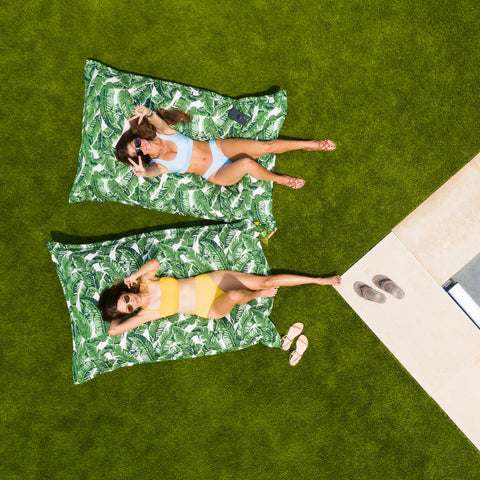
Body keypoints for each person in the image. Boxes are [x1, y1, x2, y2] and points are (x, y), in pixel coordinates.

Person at [98, 259, 341, 336]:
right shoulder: (145, 314)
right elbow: (112, 331)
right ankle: (258, 296)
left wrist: (134, 274)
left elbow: (154, 263)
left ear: (125, 290)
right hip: (210, 307)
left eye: (127, 298)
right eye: (129, 308)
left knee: (270, 280)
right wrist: (115, 313)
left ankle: (320, 280)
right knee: (236, 295)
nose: (133, 303)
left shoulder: (146, 281)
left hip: (211, 281)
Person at [115, 106, 336, 189]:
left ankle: (312, 144)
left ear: (135, 137)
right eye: (139, 153)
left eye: (136, 143)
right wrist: (145, 173)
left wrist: (149, 114)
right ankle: (282, 180)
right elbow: (154, 172)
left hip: (218, 149)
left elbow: (159, 122)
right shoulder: (158, 165)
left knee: (265, 146)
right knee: (248, 164)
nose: (141, 147)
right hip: (216, 173)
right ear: (142, 158)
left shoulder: (163, 133)